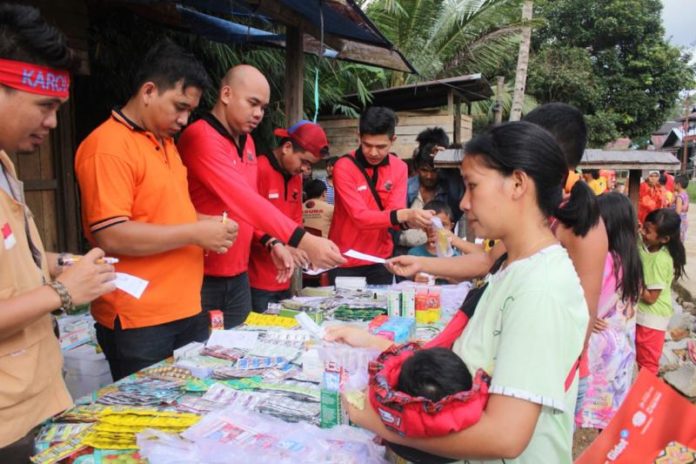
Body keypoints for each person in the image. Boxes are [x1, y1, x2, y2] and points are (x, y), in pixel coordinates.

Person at [329, 121, 590, 463]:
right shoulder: (512, 268)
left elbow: (505, 437)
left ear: (517, 184)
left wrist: (381, 422)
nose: (464, 203)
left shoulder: (539, 290)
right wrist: (378, 345)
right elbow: (468, 362)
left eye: (473, 186)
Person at [75, 41, 238, 381]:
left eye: (190, 111)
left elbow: (165, 214)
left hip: (186, 307)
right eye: (179, 107)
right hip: (141, 319)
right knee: (147, 419)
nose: (184, 119)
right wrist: (195, 232)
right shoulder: (107, 146)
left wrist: (207, 225)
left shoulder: (165, 144)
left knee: (189, 413)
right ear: (148, 91)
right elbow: (111, 233)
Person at [0, 5, 116, 460]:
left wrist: (64, 263)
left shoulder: (6, 165)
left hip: (39, 395)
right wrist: (63, 294)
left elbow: (13, 256)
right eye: (44, 106)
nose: (52, 122)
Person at [178, 65, 344, 328]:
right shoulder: (201, 136)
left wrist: (270, 242)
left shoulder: (249, 143)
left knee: (241, 352)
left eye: (263, 107)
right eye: (252, 103)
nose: (258, 114)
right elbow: (243, 199)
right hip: (201, 274)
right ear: (226, 94)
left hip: (239, 274)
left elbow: (247, 211)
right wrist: (303, 240)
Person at [328, 106, 434, 285]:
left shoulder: (399, 167)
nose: (373, 152)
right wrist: (405, 215)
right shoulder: (343, 167)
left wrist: (415, 221)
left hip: (381, 260)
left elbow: (393, 212)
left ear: (393, 140)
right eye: (367, 145)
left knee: (381, 313)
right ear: (358, 135)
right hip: (345, 260)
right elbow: (359, 217)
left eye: (381, 146)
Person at [248, 121, 330, 313]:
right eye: (304, 162)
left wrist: (304, 248)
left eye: (310, 165)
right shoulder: (258, 168)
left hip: (285, 280)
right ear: (287, 147)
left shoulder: (296, 179)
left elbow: (295, 221)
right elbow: (247, 218)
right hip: (256, 280)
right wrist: (278, 245)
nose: (305, 169)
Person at [576, 192, 642, 430]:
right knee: (610, 413)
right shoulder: (631, 258)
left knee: (587, 406)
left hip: (598, 347)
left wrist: (587, 318)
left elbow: (590, 304)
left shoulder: (605, 260)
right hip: (621, 348)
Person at [636, 208, 686, 375]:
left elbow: (651, 298)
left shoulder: (660, 260)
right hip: (644, 317)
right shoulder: (650, 246)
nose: (643, 232)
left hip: (651, 319)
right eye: (643, 226)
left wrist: (631, 282)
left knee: (647, 365)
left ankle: (646, 397)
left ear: (664, 239)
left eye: (647, 231)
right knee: (640, 360)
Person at [675, 174, 689, 242]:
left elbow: (677, 212)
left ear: (678, 185)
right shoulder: (686, 194)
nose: (673, 186)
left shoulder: (679, 197)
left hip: (679, 222)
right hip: (684, 221)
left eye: (674, 184)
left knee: (677, 241)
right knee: (681, 241)